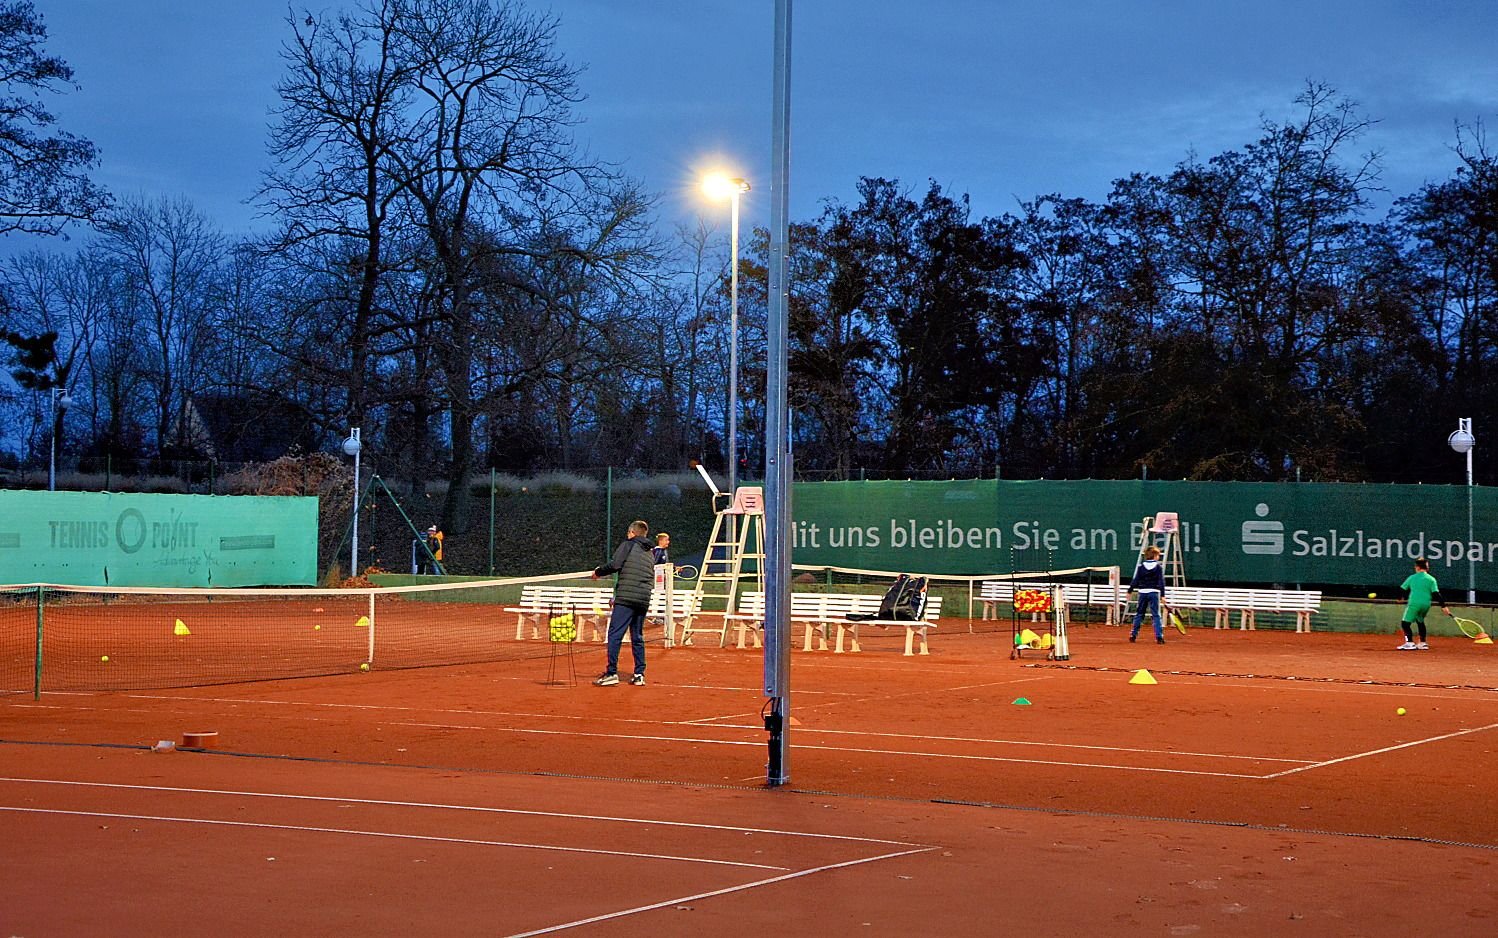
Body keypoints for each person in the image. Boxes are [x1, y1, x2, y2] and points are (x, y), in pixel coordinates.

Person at [592, 519, 655, 686]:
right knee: (637, 636)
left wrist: (598, 572)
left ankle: (611, 673)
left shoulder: (628, 545)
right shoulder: (650, 551)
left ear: (632, 533)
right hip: (643, 599)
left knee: (615, 634)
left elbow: (615, 564)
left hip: (627, 598)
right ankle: (639, 674)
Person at [1398, 557, 1452, 650]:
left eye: (1415, 567)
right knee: (1420, 622)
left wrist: (1400, 597)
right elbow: (1436, 593)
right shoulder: (1431, 579)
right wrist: (1443, 606)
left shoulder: (1412, 577)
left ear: (1418, 567)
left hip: (1414, 603)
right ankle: (1422, 643)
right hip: (1426, 605)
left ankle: (1409, 642)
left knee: (1405, 624)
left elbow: (1402, 589)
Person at [1128, 545, 1167, 644]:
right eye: (1158, 555)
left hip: (1143, 593)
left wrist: (1129, 590)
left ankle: (1133, 635)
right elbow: (1161, 582)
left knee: (1139, 614)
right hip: (1154, 593)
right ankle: (1159, 637)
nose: (1158, 557)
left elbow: (1135, 580)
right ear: (1154, 556)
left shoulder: (1141, 567)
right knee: (1156, 615)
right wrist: (1163, 595)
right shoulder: (1158, 567)